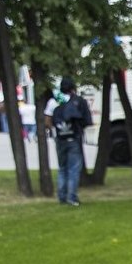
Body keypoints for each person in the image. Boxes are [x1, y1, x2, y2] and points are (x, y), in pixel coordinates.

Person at [46, 78, 91, 206]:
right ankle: (72, 197)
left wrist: (56, 131)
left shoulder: (53, 101)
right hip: (74, 138)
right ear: (72, 88)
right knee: (74, 169)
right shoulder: (77, 101)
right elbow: (86, 120)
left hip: (59, 138)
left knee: (62, 168)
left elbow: (47, 120)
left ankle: (62, 196)